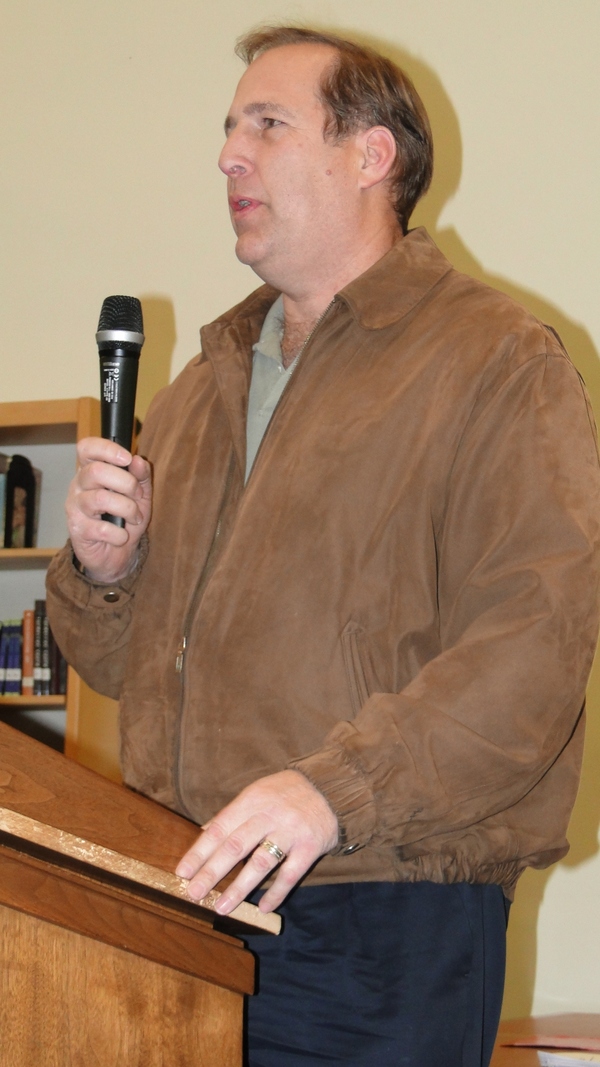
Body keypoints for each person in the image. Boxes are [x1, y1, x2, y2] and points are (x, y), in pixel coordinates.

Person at [46, 26, 600, 1067]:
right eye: (226, 129)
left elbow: (535, 647)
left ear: (371, 156)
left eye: (267, 124)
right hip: (181, 909)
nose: (228, 156)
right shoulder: (199, 390)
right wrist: (103, 574)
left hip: (381, 917)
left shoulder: (494, 361)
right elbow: (119, 666)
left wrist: (335, 790)